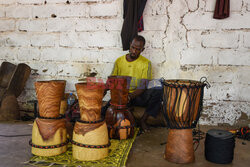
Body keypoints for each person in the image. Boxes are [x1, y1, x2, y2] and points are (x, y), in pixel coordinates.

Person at [102, 35, 163, 132]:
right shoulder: (119, 61)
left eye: (138, 49)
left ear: (142, 50)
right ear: (130, 45)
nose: (134, 51)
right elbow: (112, 81)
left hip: (138, 96)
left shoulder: (146, 63)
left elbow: (143, 86)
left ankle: (143, 121)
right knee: (103, 112)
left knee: (158, 88)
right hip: (122, 95)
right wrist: (103, 91)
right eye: (133, 47)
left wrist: (129, 97)